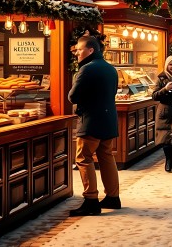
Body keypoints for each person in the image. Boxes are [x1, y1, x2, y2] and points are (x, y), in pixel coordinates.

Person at [68, 36, 120, 216]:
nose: (76, 54)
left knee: (83, 158)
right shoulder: (111, 68)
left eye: (79, 50)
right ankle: (113, 197)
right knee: (106, 156)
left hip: (90, 121)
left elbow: (73, 97)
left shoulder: (86, 70)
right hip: (108, 120)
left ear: (90, 50)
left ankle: (91, 200)